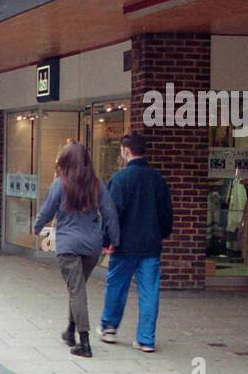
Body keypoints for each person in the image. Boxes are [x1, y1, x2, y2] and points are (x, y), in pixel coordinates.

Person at [33, 141, 120, 358]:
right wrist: (114, 240)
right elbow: (110, 213)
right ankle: (70, 332)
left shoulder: (59, 184)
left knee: (76, 290)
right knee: (77, 288)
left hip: (68, 245)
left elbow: (47, 211)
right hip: (92, 247)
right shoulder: (97, 185)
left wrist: (36, 227)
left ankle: (84, 342)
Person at [100, 131, 173, 353]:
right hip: (151, 245)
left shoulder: (120, 179)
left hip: (124, 245)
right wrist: (162, 233)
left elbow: (113, 214)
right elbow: (166, 214)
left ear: (125, 151)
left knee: (116, 286)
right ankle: (146, 339)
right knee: (149, 291)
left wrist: (108, 239)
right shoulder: (158, 180)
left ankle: (109, 328)